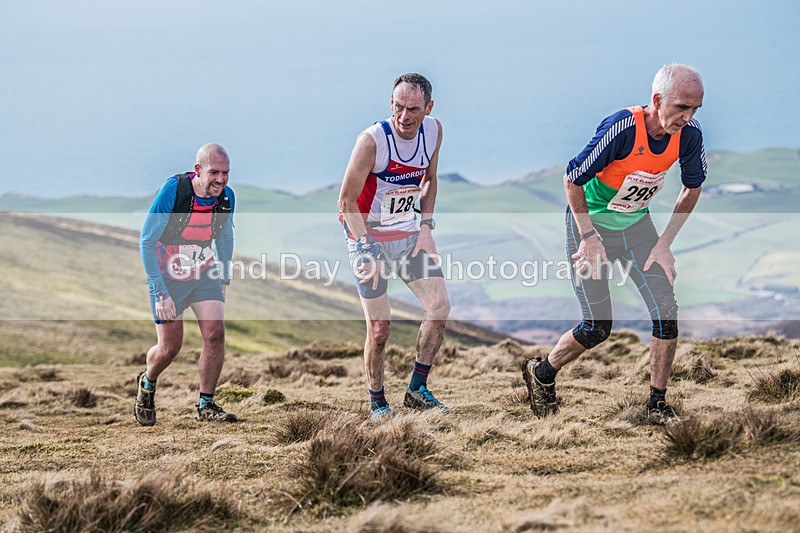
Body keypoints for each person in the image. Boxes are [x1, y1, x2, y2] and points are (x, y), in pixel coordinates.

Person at [521, 64, 706, 424]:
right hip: (591, 228)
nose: (688, 117)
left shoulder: (689, 135)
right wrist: (589, 238)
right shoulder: (622, 129)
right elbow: (573, 179)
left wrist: (664, 244)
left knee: (666, 311)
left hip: (637, 228)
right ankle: (542, 373)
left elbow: (692, 187)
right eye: (682, 107)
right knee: (597, 327)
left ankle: (656, 404)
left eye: (695, 109)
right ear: (658, 100)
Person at [338, 73, 451, 420]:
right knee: (380, 329)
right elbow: (346, 200)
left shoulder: (433, 131)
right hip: (367, 237)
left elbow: (430, 180)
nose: (404, 116)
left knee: (439, 307)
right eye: (398, 107)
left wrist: (426, 228)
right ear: (391, 103)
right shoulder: (372, 142)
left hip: (407, 236)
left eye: (413, 109)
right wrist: (365, 247)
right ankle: (377, 402)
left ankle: (417, 389)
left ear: (428, 108)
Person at [135, 143, 238, 425]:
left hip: (203, 272)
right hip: (168, 276)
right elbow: (147, 241)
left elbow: (225, 237)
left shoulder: (226, 197)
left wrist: (224, 276)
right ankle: (147, 381)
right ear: (198, 170)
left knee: (215, 334)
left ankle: (206, 405)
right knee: (169, 348)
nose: (220, 179)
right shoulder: (174, 191)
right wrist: (160, 292)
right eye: (214, 172)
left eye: (225, 173)